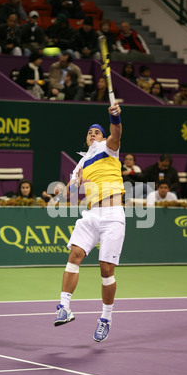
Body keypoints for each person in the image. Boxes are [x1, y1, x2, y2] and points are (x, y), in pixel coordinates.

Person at [54, 101, 125, 343]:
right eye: (89, 132)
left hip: (113, 215)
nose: (92, 134)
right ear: (86, 139)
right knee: (75, 254)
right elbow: (68, 195)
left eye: (96, 131)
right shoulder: (80, 164)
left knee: (106, 270)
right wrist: (74, 183)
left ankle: (106, 317)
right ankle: (64, 307)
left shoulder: (108, 148)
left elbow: (116, 134)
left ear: (102, 137)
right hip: (92, 214)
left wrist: (114, 118)